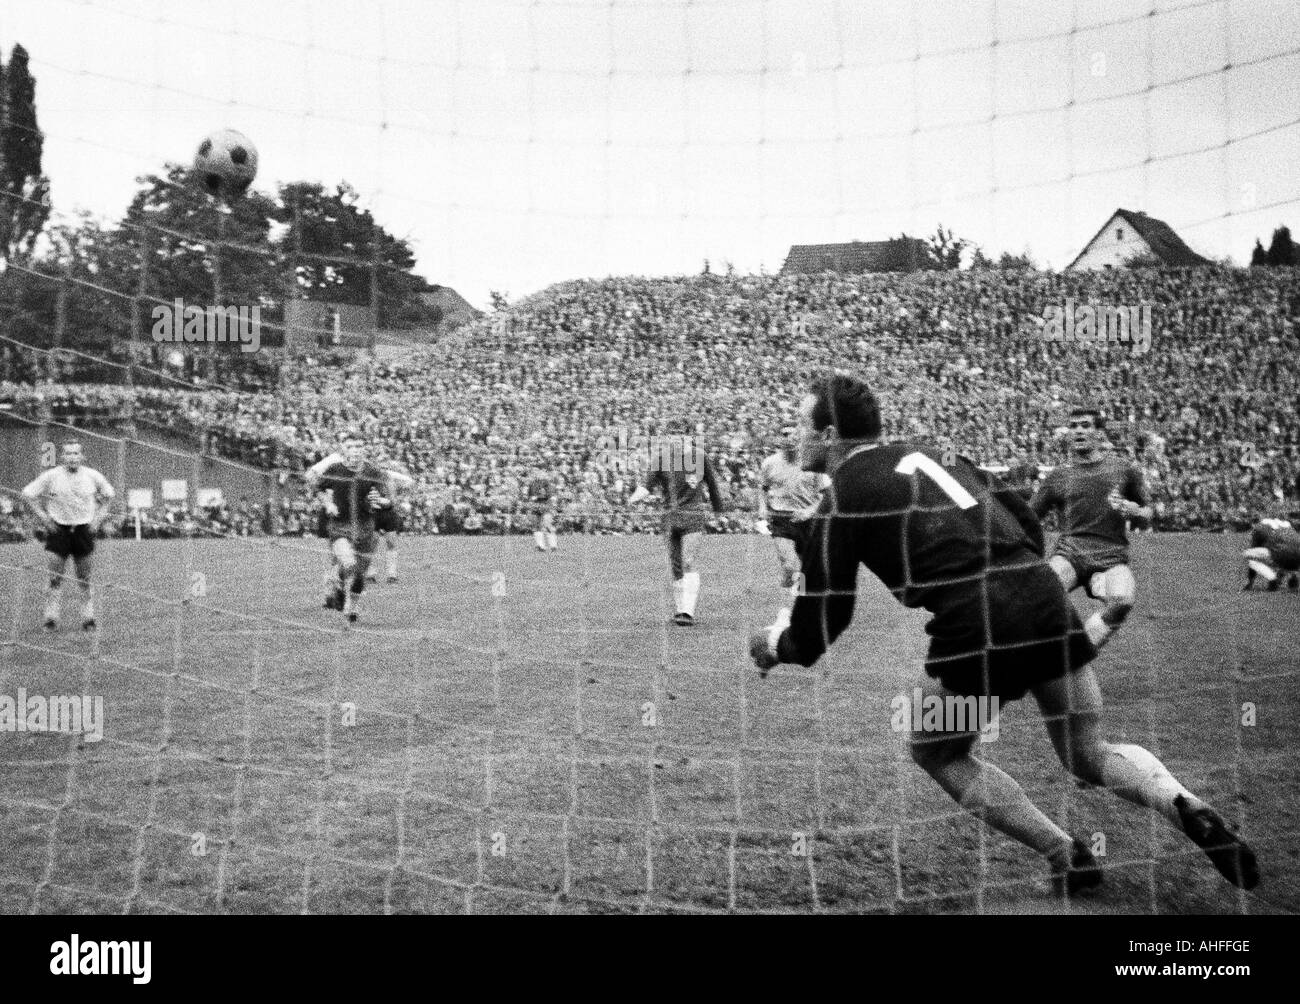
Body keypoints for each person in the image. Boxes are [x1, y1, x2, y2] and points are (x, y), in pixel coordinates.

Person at [748, 373, 1258, 895]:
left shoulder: (844, 497)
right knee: (1087, 751)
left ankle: (1067, 853)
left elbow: (820, 629)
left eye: (799, 423)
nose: (794, 434)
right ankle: (1184, 804)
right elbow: (1023, 518)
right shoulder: (935, 453)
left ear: (830, 434)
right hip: (1043, 598)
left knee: (935, 749)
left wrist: (773, 644)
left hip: (979, 629)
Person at [1030, 409, 1152, 650]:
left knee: (1123, 600)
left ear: (1099, 433)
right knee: (1039, 597)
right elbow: (1029, 516)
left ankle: (1080, 651)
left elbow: (1148, 514)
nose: (1078, 431)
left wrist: (1136, 512)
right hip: (1070, 554)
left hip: (1110, 556)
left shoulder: (1123, 469)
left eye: (1085, 425)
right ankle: (1031, 660)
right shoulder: (1058, 476)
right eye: (1073, 426)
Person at [629, 421, 727, 626]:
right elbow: (647, 485)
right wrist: (633, 499)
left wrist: (719, 512)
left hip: (693, 515)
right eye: (671, 434)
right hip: (669, 518)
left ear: (687, 435)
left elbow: (713, 485)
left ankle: (687, 612)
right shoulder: (661, 458)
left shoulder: (699, 456)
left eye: (679, 433)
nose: (675, 437)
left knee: (688, 560)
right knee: (675, 566)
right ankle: (679, 609)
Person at [21, 442, 115, 631]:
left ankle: (88, 619)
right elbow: (27, 494)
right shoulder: (51, 476)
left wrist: (97, 520)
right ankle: (51, 618)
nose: (72, 457)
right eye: (68, 453)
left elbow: (109, 495)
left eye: (76, 453)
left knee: (84, 578)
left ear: (82, 456)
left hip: (83, 531)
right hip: (59, 531)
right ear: (62, 456)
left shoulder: (92, 476)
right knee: (55, 578)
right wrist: (44, 518)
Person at [1242, 516, 1300, 591]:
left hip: (1281, 553)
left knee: (1248, 554)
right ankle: (1293, 575)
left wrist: (1250, 582)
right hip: (1297, 556)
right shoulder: (1287, 524)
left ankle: (1272, 579)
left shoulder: (1259, 527)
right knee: (1287, 553)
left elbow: (1254, 552)